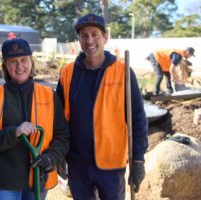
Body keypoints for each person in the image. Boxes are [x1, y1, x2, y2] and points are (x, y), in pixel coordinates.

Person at [56, 13, 148, 199]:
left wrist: (138, 159)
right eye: (84, 35)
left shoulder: (123, 72)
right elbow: (57, 119)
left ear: (105, 37)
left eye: (94, 34)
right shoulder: (67, 73)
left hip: (111, 164)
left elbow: (137, 118)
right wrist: (58, 154)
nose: (89, 40)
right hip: (76, 163)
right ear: (79, 40)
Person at [0, 38, 70, 200]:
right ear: (5, 66)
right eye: (13, 61)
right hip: (4, 181)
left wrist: (51, 157)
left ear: (31, 62)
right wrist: (13, 133)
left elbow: (63, 135)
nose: (19, 66)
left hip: (38, 177)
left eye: (24, 60)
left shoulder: (49, 95)